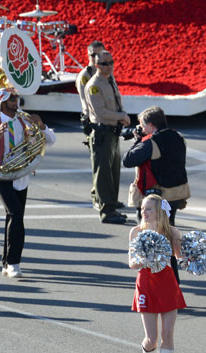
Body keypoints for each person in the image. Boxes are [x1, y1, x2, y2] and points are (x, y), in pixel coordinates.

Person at [0, 87, 56, 278]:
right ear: (2, 102)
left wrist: (41, 127)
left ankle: (5, 262)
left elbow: (51, 140)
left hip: (21, 175)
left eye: (16, 98)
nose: (15, 102)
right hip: (0, 175)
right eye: (11, 99)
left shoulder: (24, 120)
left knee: (14, 218)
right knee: (15, 214)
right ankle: (13, 263)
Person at [122, 106, 190, 283]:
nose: (141, 129)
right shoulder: (178, 136)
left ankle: (158, 283)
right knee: (169, 237)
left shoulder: (152, 141)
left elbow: (128, 160)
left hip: (157, 198)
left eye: (143, 125)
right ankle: (173, 282)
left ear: (151, 124)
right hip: (176, 195)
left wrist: (138, 141)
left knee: (151, 242)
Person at [128, 195, 185, 353]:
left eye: (149, 209)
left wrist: (192, 251)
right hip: (146, 283)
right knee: (151, 338)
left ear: (159, 212)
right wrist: (145, 258)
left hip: (167, 284)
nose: (144, 212)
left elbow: (181, 258)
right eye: (143, 208)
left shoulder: (172, 232)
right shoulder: (136, 232)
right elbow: (132, 263)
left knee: (168, 334)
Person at [86, 50, 129, 224]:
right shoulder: (94, 85)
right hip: (102, 132)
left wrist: (120, 117)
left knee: (113, 172)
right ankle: (107, 211)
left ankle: (111, 205)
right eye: (104, 63)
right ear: (97, 65)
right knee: (103, 174)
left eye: (111, 62)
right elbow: (101, 113)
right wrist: (122, 116)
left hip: (112, 132)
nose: (109, 66)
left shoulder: (109, 80)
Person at [76, 40, 105, 157]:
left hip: (107, 120)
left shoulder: (104, 73)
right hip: (95, 122)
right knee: (100, 160)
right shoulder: (85, 76)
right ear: (88, 56)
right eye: (93, 55)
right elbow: (86, 102)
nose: (97, 58)